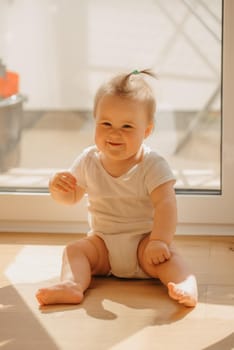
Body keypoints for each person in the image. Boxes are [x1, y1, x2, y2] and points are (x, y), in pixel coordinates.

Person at [36, 69, 198, 307]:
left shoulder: (151, 164)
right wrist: (57, 187)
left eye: (127, 127)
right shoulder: (88, 160)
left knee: (171, 259)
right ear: (95, 121)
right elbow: (71, 197)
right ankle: (73, 284)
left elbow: (166, 204)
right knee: (75, 251)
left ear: (147, 131)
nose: (114, 132)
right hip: (103, 245)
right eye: (106, 123)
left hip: (145, 245)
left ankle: (186, 284)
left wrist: (159, 241)